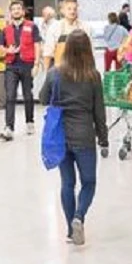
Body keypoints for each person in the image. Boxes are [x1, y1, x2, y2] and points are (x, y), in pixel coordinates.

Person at [39, 30, 108, 246]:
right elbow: (99, 111)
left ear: (66, 48)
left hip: (61, 137)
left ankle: (71, 230)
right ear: (88, 50)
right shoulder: (93, 76)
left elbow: (42, 98)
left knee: (67, 183)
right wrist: (103, 139)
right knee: (89, 182)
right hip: (84, 136)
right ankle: (79, 216)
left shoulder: (55, 73)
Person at [0, 0, 42, 140]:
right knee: (10, 96)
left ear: (23, 11)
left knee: (28, 95)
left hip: (27, 64)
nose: (16, 11)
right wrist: (6, 50)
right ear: (10, 13)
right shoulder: (5, 29)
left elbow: (37, 45)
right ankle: (9, 127)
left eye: (18, 9)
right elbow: (0, 48)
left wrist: (36, 64)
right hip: (11, 66)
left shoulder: (32, 26)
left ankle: (30, 121)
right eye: (13, 9)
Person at [42, 0, 92, 70]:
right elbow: (48, 53)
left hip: (80, 71)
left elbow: (90, 51)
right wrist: (47, 73)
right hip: (60, 70)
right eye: (69, 9)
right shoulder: (55, 28)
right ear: (62, 11)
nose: (72, 11)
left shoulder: (85, 27)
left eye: (75, 9)